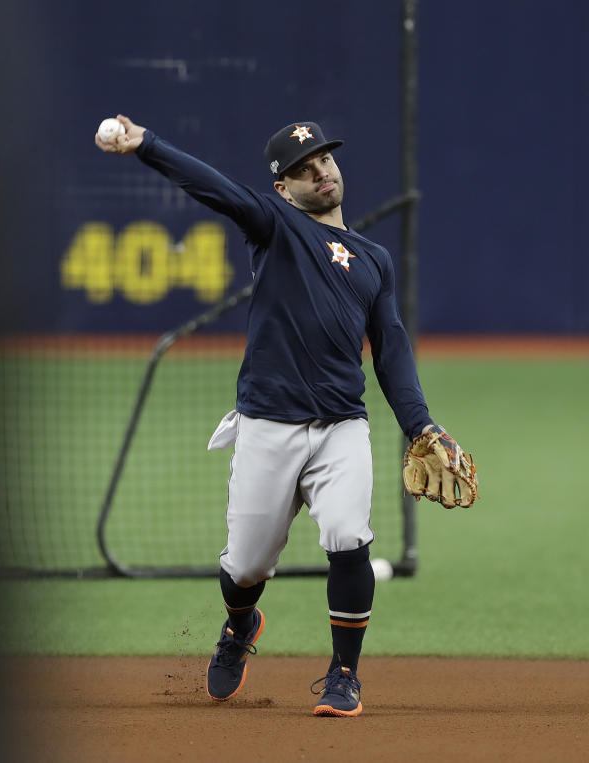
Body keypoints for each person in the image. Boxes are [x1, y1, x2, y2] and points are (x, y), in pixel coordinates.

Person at [95, 115, 465, 717]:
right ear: (282, 189)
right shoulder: (276, 228)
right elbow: (220, 190)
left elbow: (392, 351)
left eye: (323, 159)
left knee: (349, 536)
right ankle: (240, 626)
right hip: (268, 423)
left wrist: (422, 424)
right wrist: (148, 146)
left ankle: (344, 675)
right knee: (244, 567)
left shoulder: (374, 260)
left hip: (342, 424)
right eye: (301, 168)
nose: (319, 170)